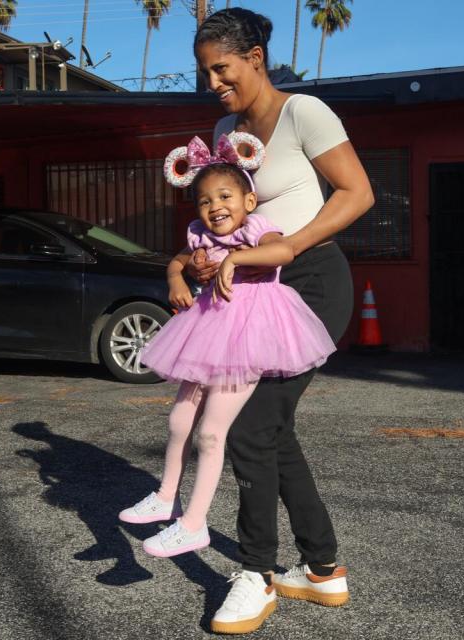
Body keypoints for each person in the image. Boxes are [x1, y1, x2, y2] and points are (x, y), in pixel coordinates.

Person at [191, 7, 375, 635]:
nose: (214, 82)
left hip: (312, 279)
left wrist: (292, 244)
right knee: (275, 431)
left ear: (256, 58)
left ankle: (256, 573)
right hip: (251, 288)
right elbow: (228, 205)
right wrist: (205, 257)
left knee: (249, 427)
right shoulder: (224, 128)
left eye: (222, 69)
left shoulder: (304, 113)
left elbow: (358, 193)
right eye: (205, 72)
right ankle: (322, 568)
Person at [119, 135, 336, 567]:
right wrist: (176, 279)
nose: (215, 206)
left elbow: (284, 251)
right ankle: (166, 497)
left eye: (225, 196)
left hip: (251, 329)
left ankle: (195, 522)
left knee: (212, 432)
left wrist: (236, 260)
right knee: (179, 417)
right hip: (208, 326)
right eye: (203, 201)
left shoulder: (256, 227)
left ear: (249, 200)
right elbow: (178, 260)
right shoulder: (199, 233)